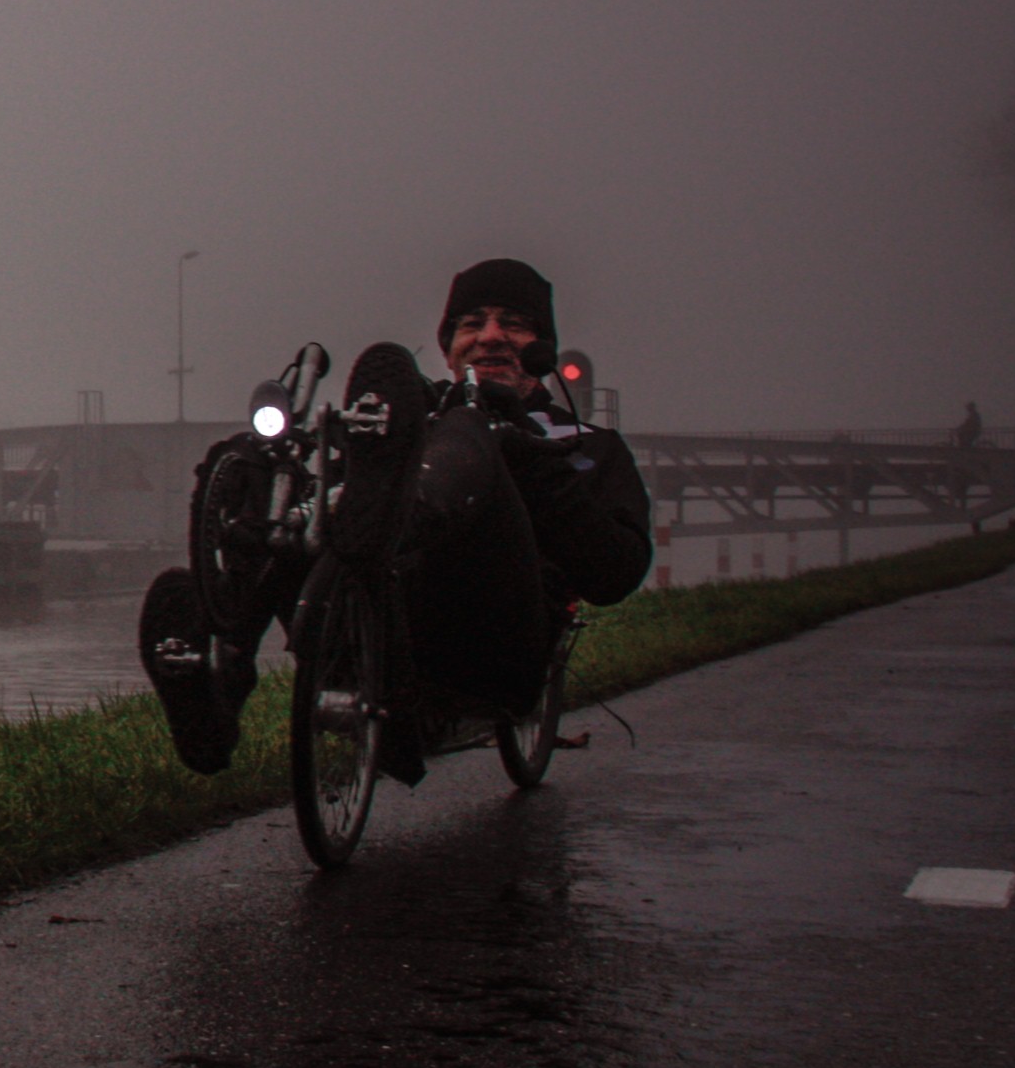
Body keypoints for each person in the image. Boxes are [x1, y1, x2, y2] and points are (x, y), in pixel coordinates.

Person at [139, 257, 652, 781]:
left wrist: (526, 456)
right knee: (261, 459)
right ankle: (219, 668)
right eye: (471, 325)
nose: (490, 337)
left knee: (469, 428)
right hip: (378, 614)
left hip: (495, 640)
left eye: (513, 325)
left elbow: (617, 574)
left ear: (543, 349)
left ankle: (398, 523)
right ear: (450, 346)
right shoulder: (409, 423)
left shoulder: (587, 446)